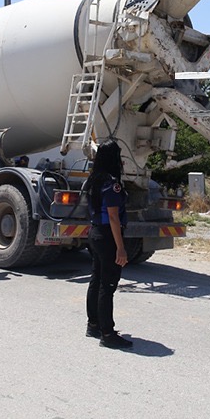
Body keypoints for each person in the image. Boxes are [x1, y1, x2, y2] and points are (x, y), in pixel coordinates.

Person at [84, 139, 133, 349]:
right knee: (107, 284)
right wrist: (120, 247)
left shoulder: (94, 180)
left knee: (96, 280)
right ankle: (107, 333)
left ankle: (93, 324)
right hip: (107, 236)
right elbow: (113, 217)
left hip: (95, 233)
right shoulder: (112, 183)